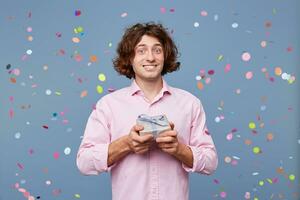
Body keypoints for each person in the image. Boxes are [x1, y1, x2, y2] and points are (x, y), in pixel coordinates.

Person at [76, 22, 218, 200]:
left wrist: (178, 149)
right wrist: (126, 144)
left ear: (165, 56)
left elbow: (211, 162)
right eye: (141, 50)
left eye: (157, 50)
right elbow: (84, 162)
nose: (150, 57)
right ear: (129, 57)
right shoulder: (108, 105)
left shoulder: (190, 103)